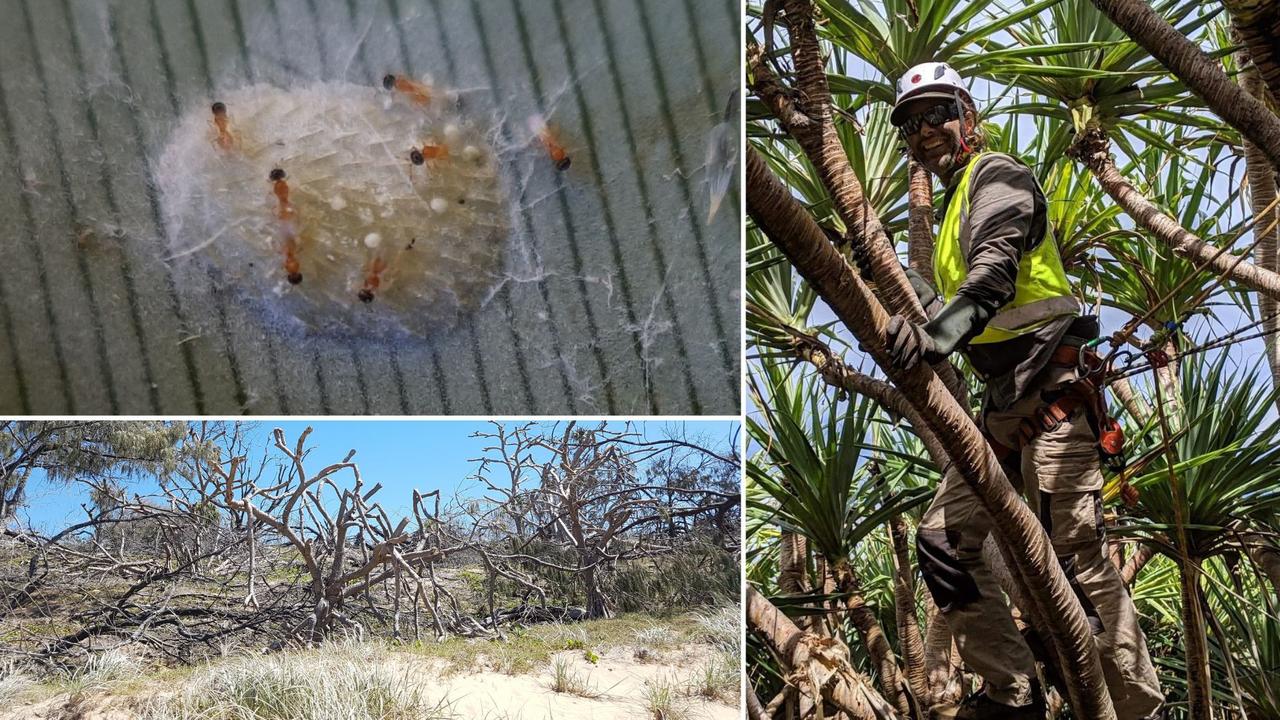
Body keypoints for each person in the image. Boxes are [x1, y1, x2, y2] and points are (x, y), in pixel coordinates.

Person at [880, 61, 1164, 720]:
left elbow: (995, 278)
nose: (926, 131)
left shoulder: (998, 176)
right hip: (1005, 409)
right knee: (943, 542)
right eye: (911, 124)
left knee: (1077, 555)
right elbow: (964, 297)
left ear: (967, 119)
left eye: (937, 114)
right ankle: (1012, 695)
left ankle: (1144, 711)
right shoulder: (953, 207)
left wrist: (934, 336)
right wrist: (902, 286)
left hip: (1054, 393)